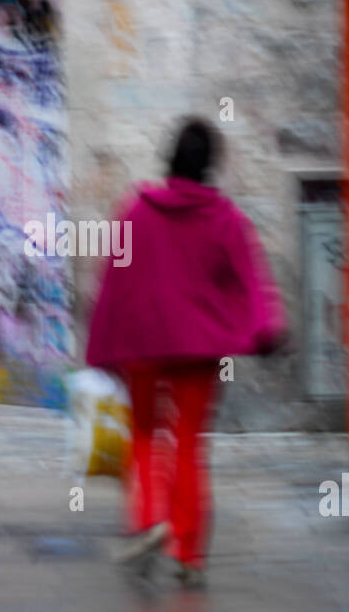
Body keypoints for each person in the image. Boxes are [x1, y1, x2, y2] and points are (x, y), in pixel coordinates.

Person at [85, 117, 287, 587]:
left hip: (143, 345)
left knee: (143, 434)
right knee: (190, 446)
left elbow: (113, 278)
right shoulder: (226, 218)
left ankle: (151, 517)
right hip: (199, 348)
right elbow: (251, 281)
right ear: (209, 165)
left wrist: (103, 345)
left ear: (170, 158)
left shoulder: (136, 210)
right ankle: (187, 554)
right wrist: (266, 327)